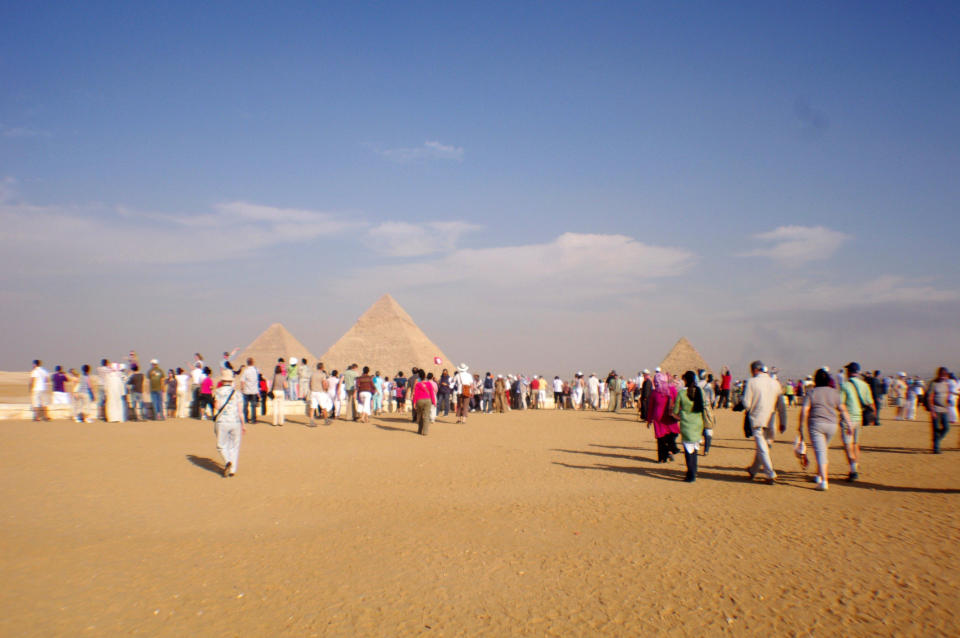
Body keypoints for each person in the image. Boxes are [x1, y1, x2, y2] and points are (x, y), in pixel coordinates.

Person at [798, 368, 851, 491]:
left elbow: (805, 410)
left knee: (820, 452)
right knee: (822, 450)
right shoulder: (834, 393)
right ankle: (818, 475)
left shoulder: (812, 392)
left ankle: (824, 480)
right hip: (832, 425)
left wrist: (800, 426)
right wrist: (848, 424)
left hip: (816, 425)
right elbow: (842, 409)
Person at [743, 360, 782, 484]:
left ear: (755, 370)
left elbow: (746, 403)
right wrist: (783, 421)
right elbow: (781, 404)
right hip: (771, 419)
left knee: (762, 447)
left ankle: (770, 473)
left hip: (757, 419)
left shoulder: (752, 382)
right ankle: (754, 469)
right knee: (763, 446)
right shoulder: (775, 383)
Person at [839, 362, 873, 481]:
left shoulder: (845, 385)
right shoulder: (864, 385)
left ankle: (853, 470)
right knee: (856, 444)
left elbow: (841, 403)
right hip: (859, 418)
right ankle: (856, 466)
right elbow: (870, 403)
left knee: (848, 444)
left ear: (848, 372)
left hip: (848, 418)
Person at [674, 371, 706, 482]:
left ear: (686, 380)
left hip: (687, 424)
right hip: (698, 423)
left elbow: (676, 410)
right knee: (695, 448)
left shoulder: (681, 393)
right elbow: (704, 406)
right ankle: (694, 470)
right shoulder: (700, 391)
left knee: (688, 450)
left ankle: (690, 474)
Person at [213, 369, 244, 477]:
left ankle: (227, 461)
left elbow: (217, 406)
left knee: (221, 445)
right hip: (235, 422)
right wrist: (243, 425)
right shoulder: (237, 393)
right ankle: (232, 470)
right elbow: (240, 411)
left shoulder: (218, 391)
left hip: (222, 421)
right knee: (234, 447)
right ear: (231, 381)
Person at [647, 371, 680, 463]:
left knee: (664, 438)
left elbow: (651, 408)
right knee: (667, 437)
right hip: (666, 418)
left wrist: (649, 420)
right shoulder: (671, 390)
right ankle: (669, 452)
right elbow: (678, 401)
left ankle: (664, 456)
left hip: (662, 418)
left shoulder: (655, 393)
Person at [927, 367, 952, 454]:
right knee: (936, 429)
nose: (943, 377)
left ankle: (936, 441)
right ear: (938, 374)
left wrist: (948, 404)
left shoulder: (947, 384)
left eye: (945, 375)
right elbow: (930, 398)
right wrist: (932, 411)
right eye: (941, 375)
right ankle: (936, 448)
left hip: (944, 409)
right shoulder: (933, 384)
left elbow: (948, 395)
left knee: (946, 428)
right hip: (936, 409)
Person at [411, 369, 437, 435]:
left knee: (419, 415)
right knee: (426, 416)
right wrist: (434, 402)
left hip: (419, 401)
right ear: (425, 376)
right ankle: (425, 432)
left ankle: (419, 430)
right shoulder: (429, 384)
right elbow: (431, 393)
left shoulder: (418, 384)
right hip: (428, 400)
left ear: (419, 376)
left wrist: (414, 402)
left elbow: (415, 394)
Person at [239, 358, 260, 424]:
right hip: (254, 391)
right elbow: (257, 380)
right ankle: (253, 420)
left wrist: (242, 388)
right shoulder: (256, 370)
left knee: (245, 405)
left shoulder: (246, 371)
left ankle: (246, 419)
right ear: (253, 362)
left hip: (246, 391)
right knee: (253, 406)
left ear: (247, 363)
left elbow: (242, 381)